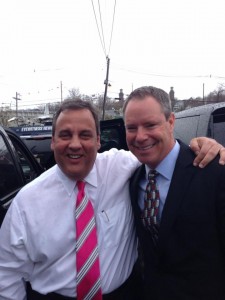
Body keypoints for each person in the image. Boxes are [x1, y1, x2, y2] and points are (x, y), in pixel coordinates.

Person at [0, 99, 224, 300]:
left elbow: (160, 152)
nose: (75, 144)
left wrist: (206, 146)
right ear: (53, 141)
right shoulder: (27, 201)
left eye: (85, 135)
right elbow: (7, 273)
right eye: (65, 135)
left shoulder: (120, 166)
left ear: (98, 140)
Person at [124, 86, 225, 300]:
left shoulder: (214, 172)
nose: (140, 136)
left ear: (171, 122)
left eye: (150, 125)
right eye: (131, 128)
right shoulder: (131, 179)